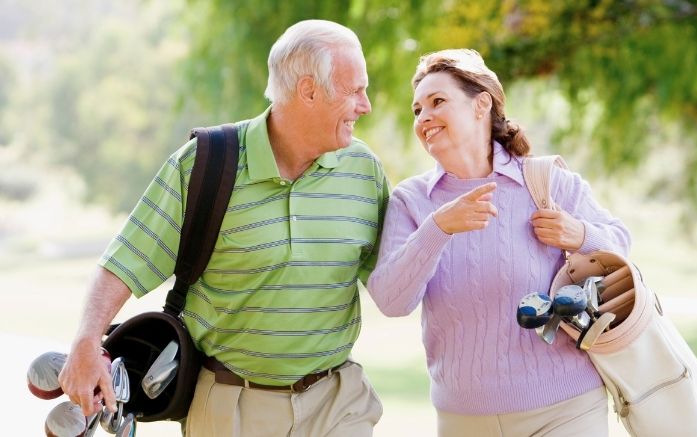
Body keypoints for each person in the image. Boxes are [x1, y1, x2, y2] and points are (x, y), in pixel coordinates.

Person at [58, 19, 387, 437]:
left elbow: (394, 276)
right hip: (233, 407)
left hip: (337, 402)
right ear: (309, 91)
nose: (366, 104)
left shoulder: (364, 171)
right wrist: (87, 340)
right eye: (355, 89)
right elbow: (125, 261)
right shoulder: (204, 165)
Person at [366, 49, 631, 437]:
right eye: (417, 109)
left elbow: (621, 248)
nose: (423, 118)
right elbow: (390, 301)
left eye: (438, 102)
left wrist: (581, 235)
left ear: (481, 105)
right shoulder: (412, 201)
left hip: (567, 407)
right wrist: (438, 228)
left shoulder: (545, 181)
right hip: (465, 419)